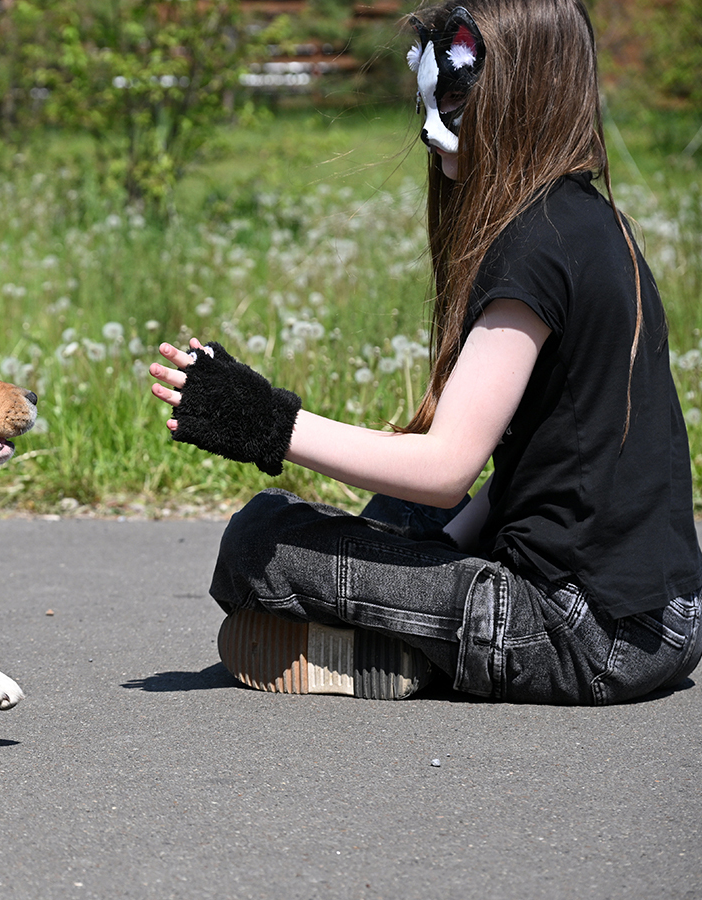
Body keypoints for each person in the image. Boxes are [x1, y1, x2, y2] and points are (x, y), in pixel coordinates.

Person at [148, 0, 702, 704]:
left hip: (581, 635)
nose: (432, 135)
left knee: (258, 544)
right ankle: (403, 632)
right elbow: (539, 468)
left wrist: (267, 422)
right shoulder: (590, 223)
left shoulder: (532, 250)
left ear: (514, 107)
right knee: (391, 517)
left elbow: (446, 468)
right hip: (666, 615)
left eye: (451, 109)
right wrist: (426, 553)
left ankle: (412, 648)